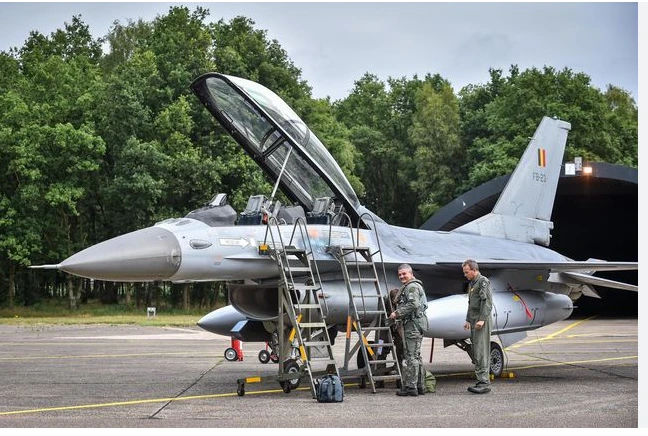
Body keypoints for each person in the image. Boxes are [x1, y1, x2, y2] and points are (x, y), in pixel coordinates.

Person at [389, 264, 427, 396]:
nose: (402, 276)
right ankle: (420, 386)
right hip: (415, 324)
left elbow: (413, 304)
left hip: (413, 325)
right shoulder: (412, 286)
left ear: (411, 274)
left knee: (410, 356)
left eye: (404, 274)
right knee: (416, 356)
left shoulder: (411, 287)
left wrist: (397, 313)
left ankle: (411, 387)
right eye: (400, 275)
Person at [462, 259, 493, 394]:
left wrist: (482, 320)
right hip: (474, 321)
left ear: (474, 270)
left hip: (481, 322)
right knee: (476, 350)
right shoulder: (473, 283)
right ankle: (480, 380)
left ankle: (484, 382)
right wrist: (468, 319)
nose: (465, 275)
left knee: (481, 351)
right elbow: (471, 304)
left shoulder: (483, 282)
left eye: (467, 272)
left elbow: (487, 302)